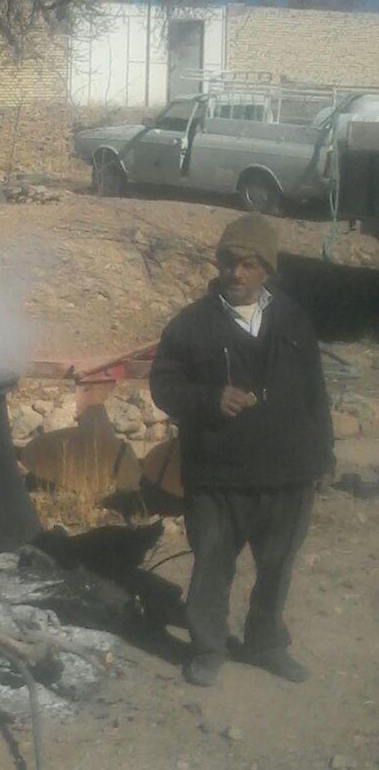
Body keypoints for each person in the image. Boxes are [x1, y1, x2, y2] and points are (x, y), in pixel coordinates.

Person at [149, 214, 334, 688]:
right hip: (217, 475)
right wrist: (210, 398)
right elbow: (164, 387)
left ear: (267, 269)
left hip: (287, 474)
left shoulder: (293, 319)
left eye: (250, 265)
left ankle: (266, 644)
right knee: (211, 565)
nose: (238, 274)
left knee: (277, 567)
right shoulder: (190, 326)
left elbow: (315, 392)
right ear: (219, 263)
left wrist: (322, 456)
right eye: (231, 262)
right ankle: (208, 647)